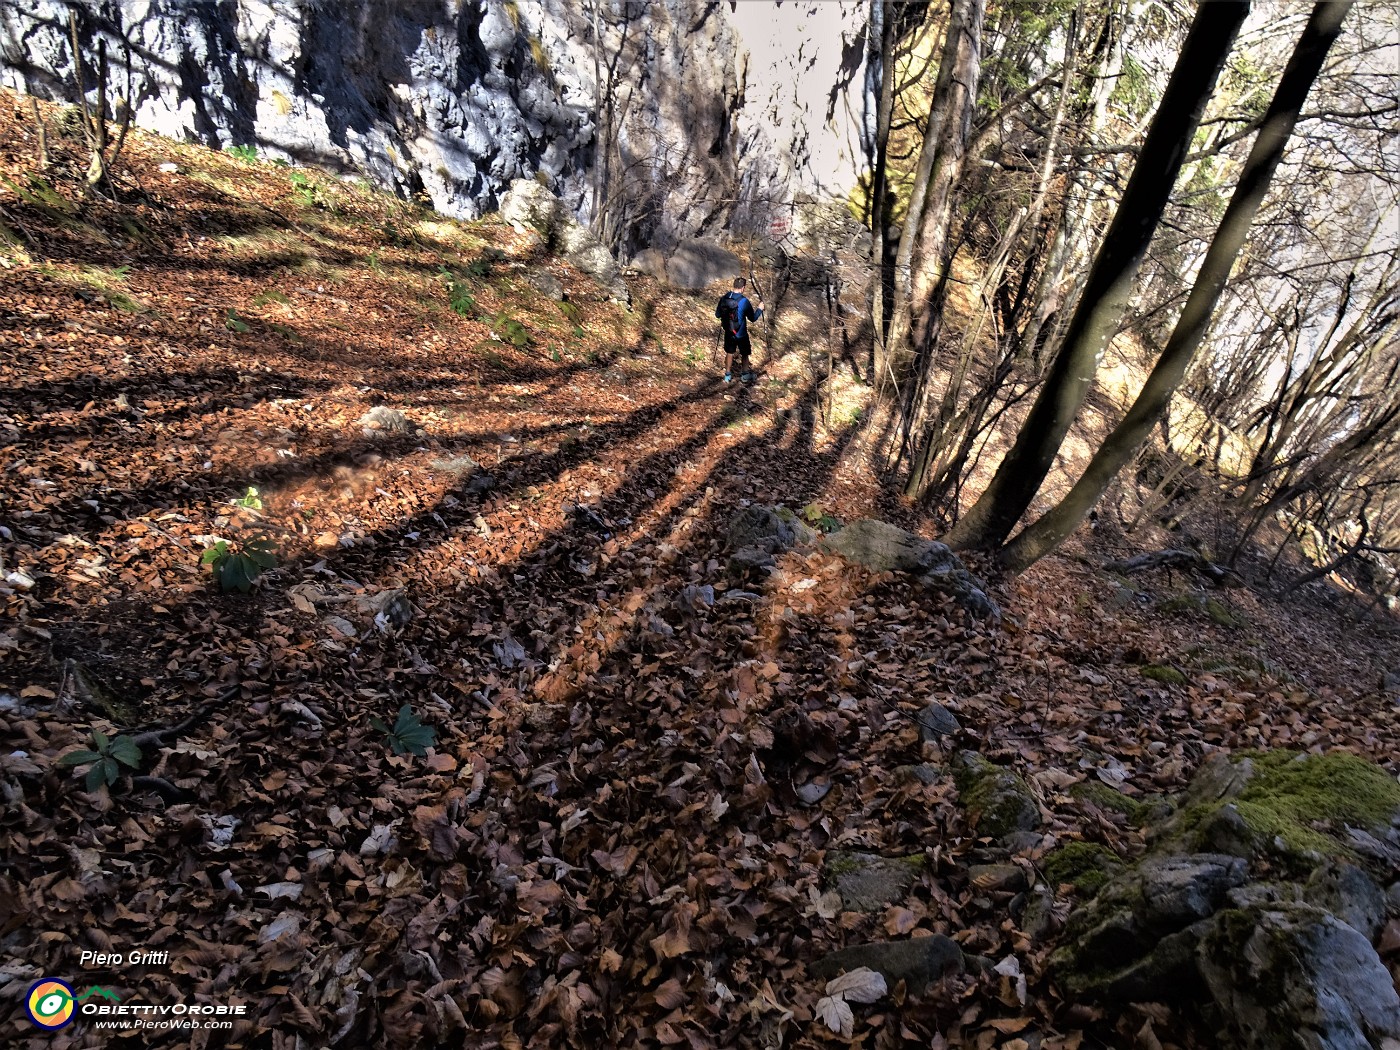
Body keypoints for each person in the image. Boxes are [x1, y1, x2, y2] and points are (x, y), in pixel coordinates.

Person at [715, 277, 763, 384]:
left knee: (729, 352)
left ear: (734, 285)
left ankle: (727, 376)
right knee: (745, 353)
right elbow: (753, 318)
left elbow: (717, 314)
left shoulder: (724, 298)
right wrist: (760, 309)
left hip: (729, 332)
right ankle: (745, 375)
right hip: (741, 334)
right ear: (743, 288)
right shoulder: (744, 301)